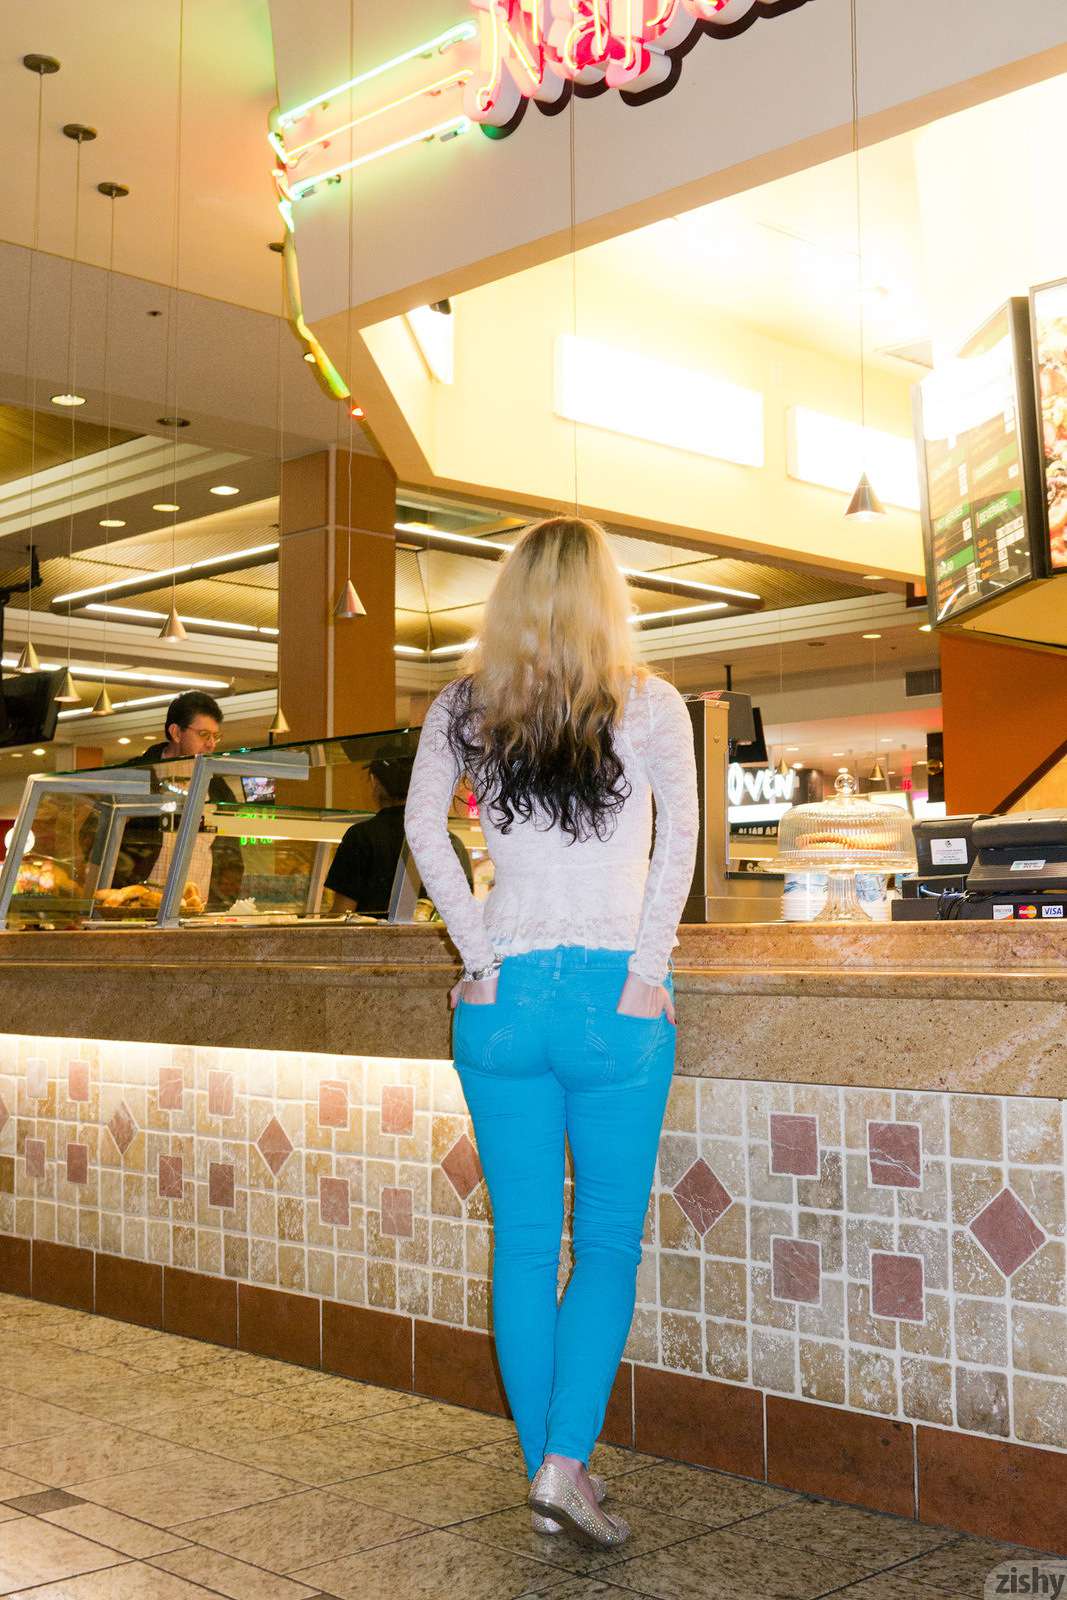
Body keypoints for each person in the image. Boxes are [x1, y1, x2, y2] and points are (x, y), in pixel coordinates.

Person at [405, 516, 698, 1550]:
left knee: (525, 1245)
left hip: (504, 1003)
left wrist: (478, 955)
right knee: (605, 1242)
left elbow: (420, 829)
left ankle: (551, 1471)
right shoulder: (649, 700)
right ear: (606, 595)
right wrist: (649, 971)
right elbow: (678, 843)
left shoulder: (464, 704)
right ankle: (563, 1465)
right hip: (614, 1001)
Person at [108, 691, 243, 908]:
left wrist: (222, 903)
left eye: (215, 736)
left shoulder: (218, 787)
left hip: (198, 911)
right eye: (203, 735)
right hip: (137, 908)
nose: (211, 744)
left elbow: (230, 855)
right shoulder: (136, 775)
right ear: (176, 732)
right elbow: (99, 838)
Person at [326, 754, 472, 917]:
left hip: (370, 934)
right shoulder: (451, 842)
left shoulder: (360, 836)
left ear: (375, 782)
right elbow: (463, 913)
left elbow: (342, 913)